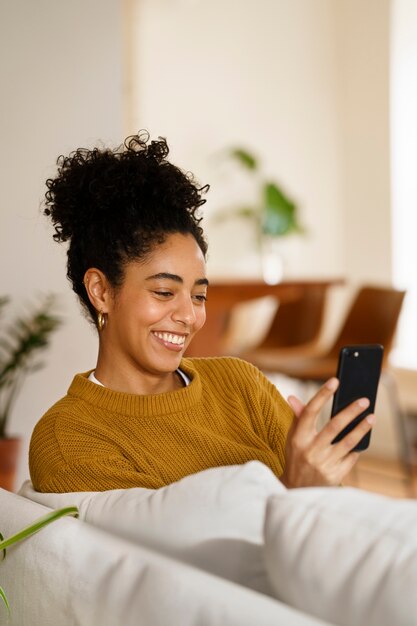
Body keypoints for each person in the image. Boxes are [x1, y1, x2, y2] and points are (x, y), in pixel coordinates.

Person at [29, 132, 375, 493]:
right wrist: (299, 490)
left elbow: (329, 509)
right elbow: (162, 549)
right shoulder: (69, 438)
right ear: (100, 291)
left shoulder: (240, 384)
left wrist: (320, 474)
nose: (189, 316)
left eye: (198, 296)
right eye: (164, 292)